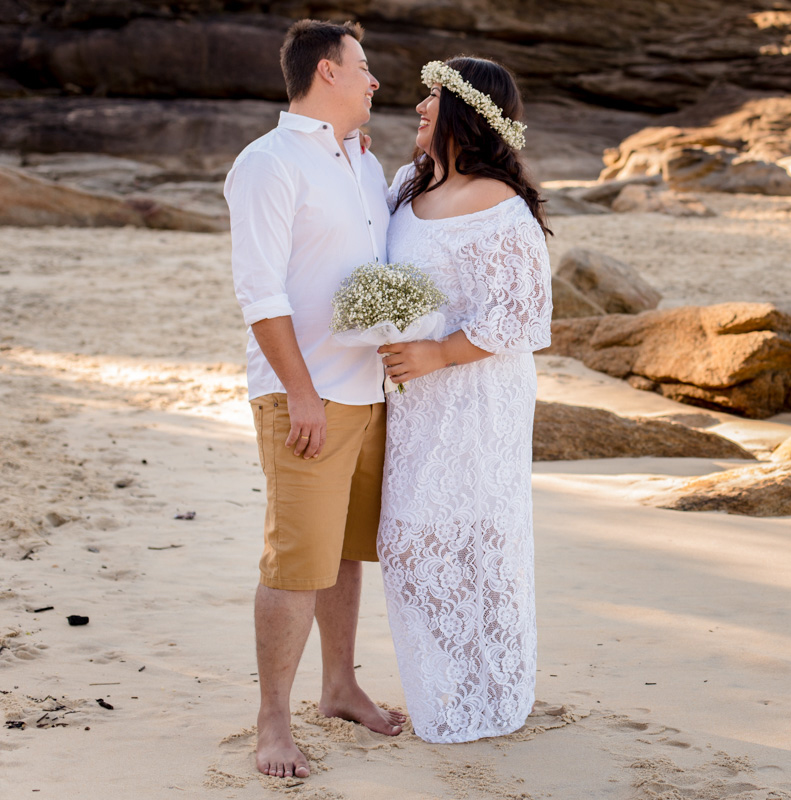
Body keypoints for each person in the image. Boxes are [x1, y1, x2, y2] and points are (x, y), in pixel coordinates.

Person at [223, 19, 405, 779]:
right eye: (363, 67)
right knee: (296, 563)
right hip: (307, 398)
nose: (374, 81)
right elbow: (258, 292)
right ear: (327, 71)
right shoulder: (267, 164)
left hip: (368, 392)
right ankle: (272, 723)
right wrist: (300, 393)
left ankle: (339, 686)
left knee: (343, 554)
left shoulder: (365, 162)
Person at [375, 56, 553, 743]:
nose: (418, 109)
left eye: (431, 100)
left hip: (477, 394)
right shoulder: (403, 186)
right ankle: (444, 686)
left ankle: (489, 694)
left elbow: (522, 318)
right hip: (415, 400)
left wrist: (435, 352)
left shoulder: (500, 206)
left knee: (475, 537)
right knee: (411, 541)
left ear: (465, 113)